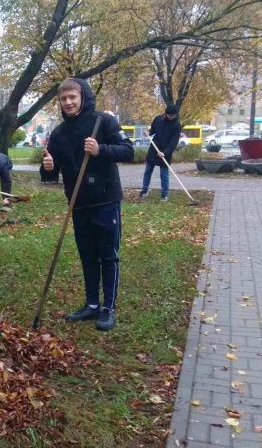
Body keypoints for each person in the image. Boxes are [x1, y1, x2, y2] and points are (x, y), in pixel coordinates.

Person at [40, 78, 133, 332]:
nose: (68, 102)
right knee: (87, 256)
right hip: (78, 203)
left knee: (108, 255)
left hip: (105, 200)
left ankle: (108, 308)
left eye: (73, 97)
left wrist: (100, 149)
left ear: (82, 97)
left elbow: (128, 151)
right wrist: (47, 168)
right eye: (63, 99)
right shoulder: (59, 133)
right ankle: (92, 304)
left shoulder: (103, 122)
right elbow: (50, 172)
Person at [139, 105, 182, 201]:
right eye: (170, 115)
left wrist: (165, 152)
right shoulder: (158, 119)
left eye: (173, 115)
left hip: (166, 151)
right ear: (166, 113)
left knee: (164, 174)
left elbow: (174, 141)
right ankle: (144, 191)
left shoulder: (177, 125)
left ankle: (164, 194)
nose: (171, 117)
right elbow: (153, 130)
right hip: (154, 149)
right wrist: (148, 132)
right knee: (147, 171)